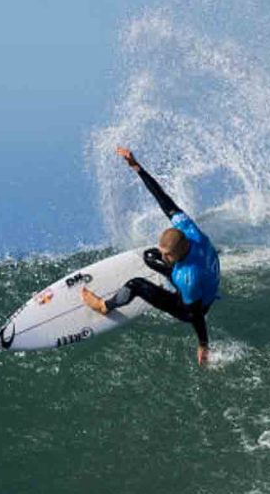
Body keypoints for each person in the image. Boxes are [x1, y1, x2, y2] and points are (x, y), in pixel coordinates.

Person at [81, 147, 221, 365]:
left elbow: (196, 316)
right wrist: (137, 167)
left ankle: (103, 306)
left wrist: (203, 344)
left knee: (136, 284)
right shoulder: (189, 230)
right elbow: (162, 198)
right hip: (207, 271)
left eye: (167, 255)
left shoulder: (188, 278)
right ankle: (168, 275)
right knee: (149, 256)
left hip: (198, 302)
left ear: (177, 253)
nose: (164, 257)